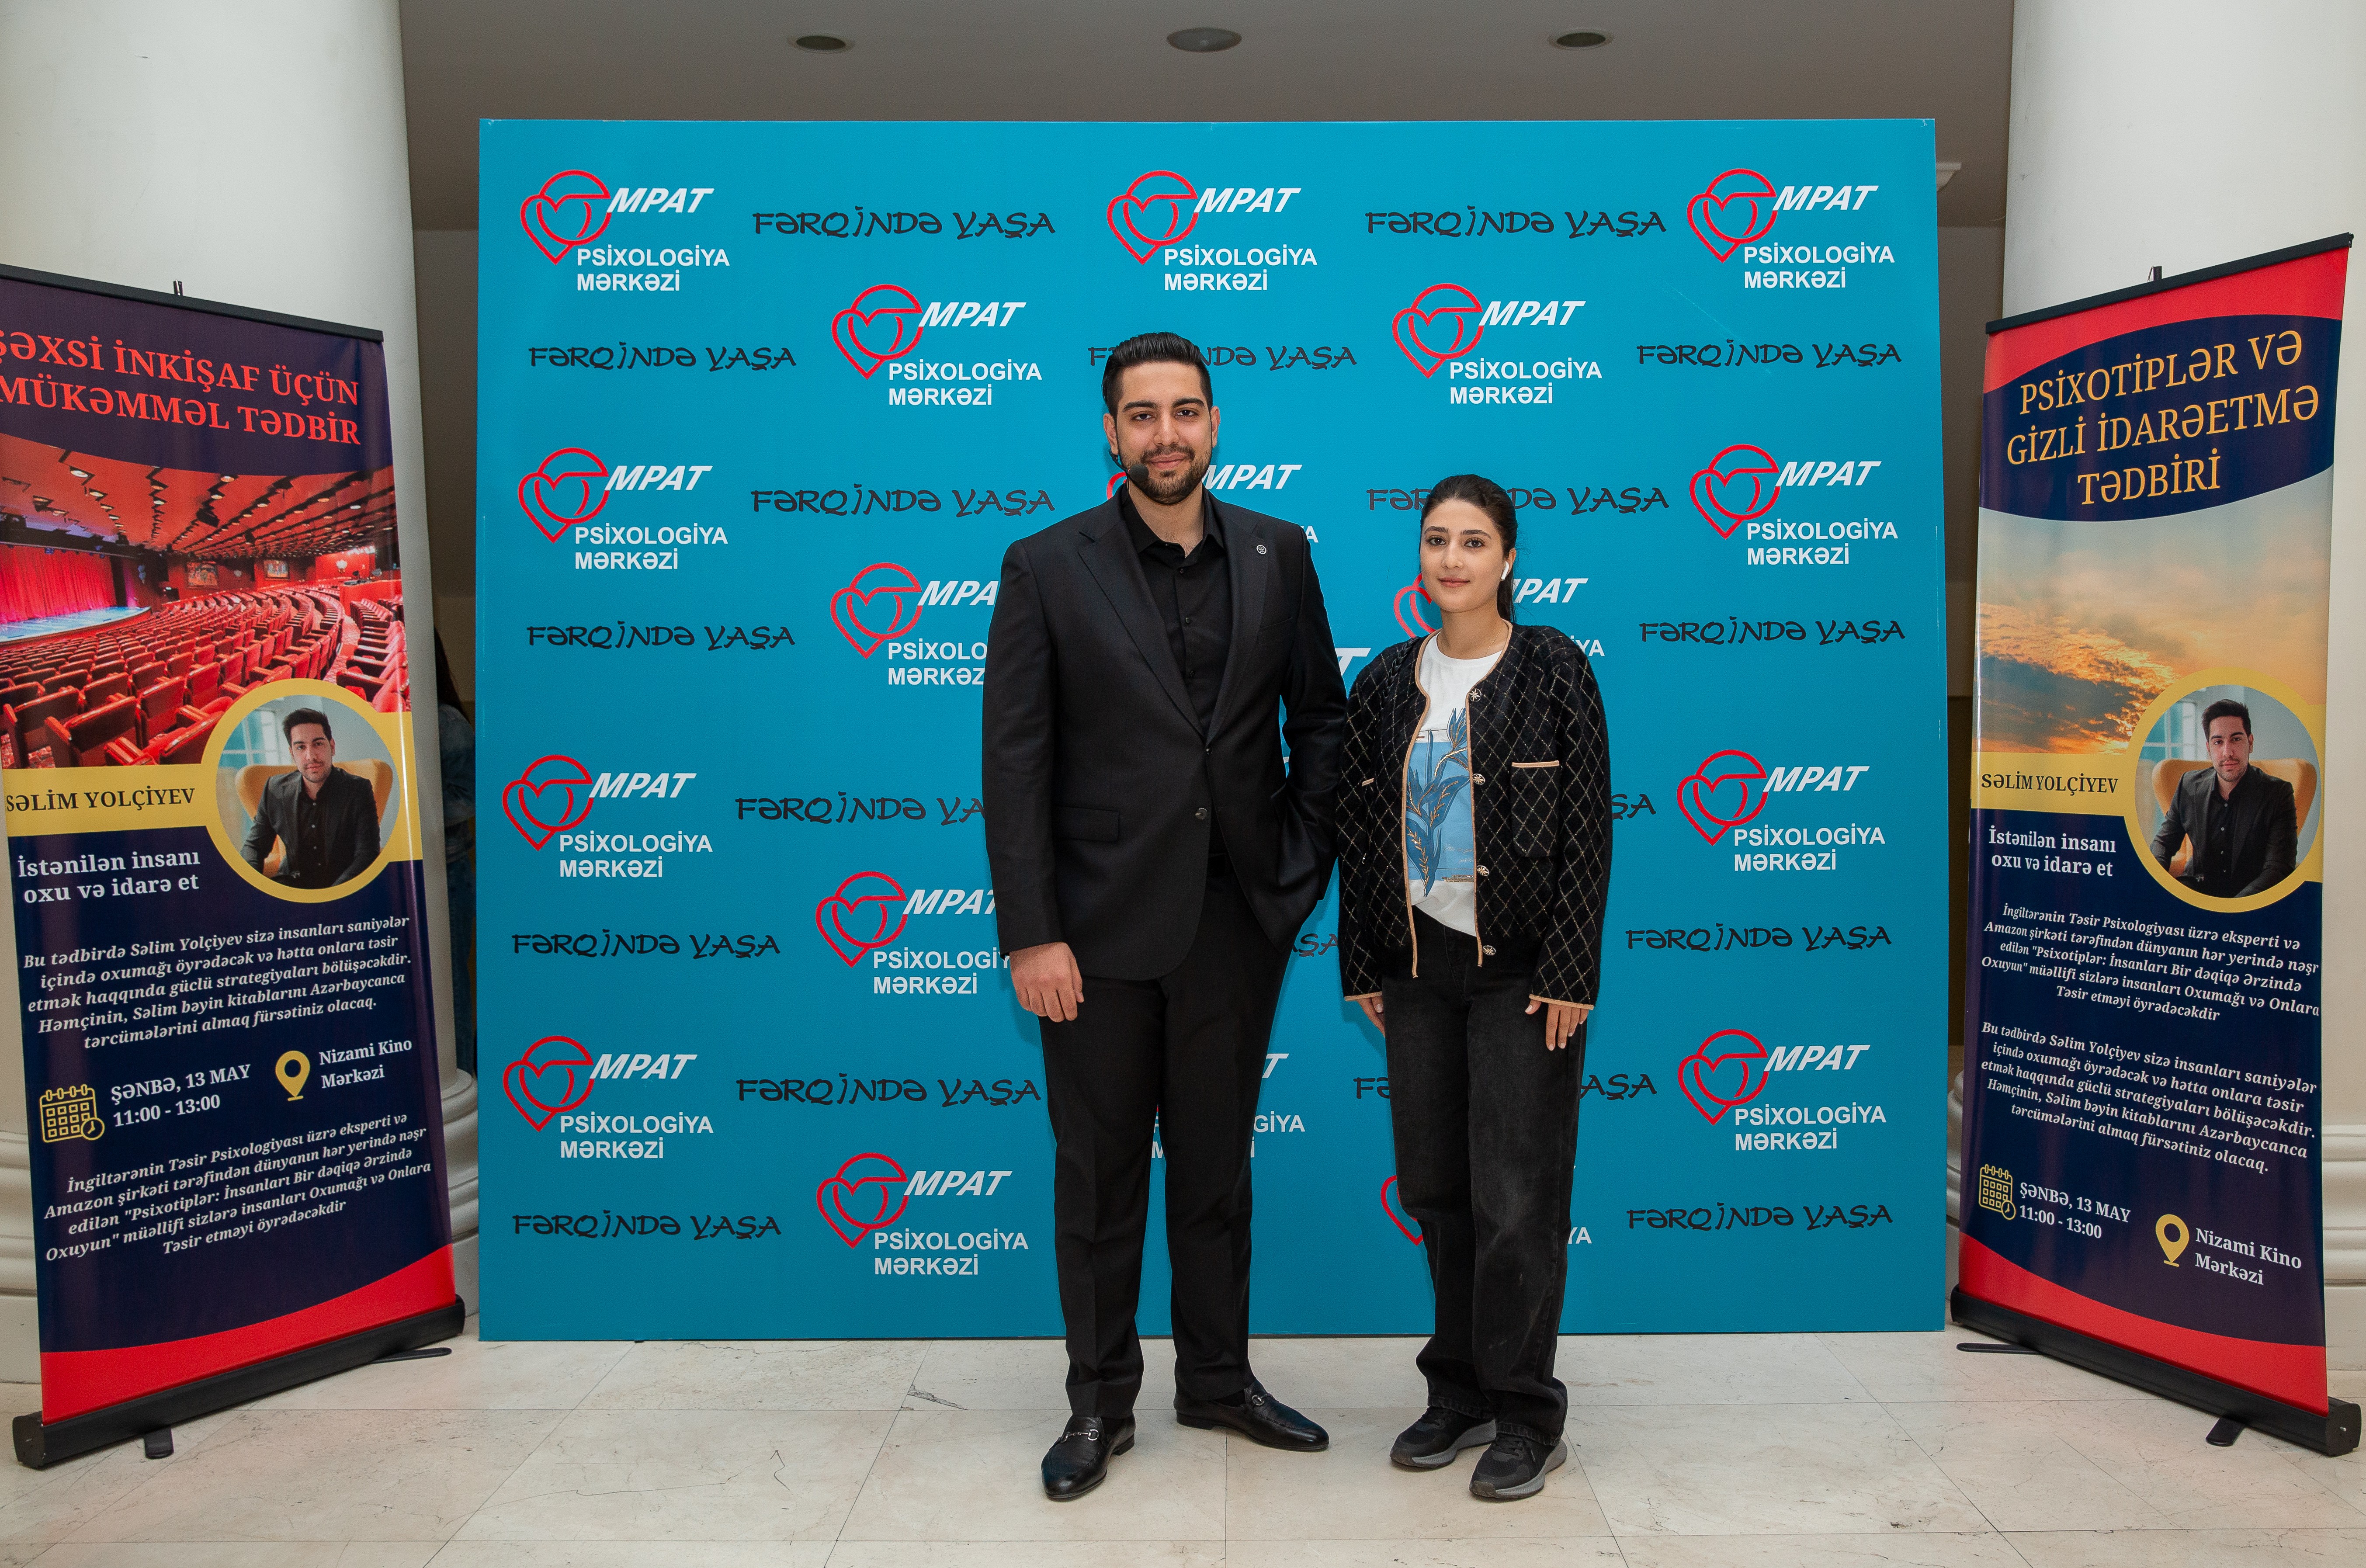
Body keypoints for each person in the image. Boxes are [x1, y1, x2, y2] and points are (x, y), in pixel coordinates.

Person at [983, 331, 1347, 1501]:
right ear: (1110, 432)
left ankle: (1218, 1379)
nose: (1166, 434)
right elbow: (1015, 761)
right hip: (1089, 934)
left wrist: (1293, 866)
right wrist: (1031, 931)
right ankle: (1099, 1401)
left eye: (1184, 410)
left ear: (1214, 421)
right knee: (1098, 1180)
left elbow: (1320, 721)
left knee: (1214, 1174)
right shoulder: (1046, 565)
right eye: (1141, 415)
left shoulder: (1279, 551)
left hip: (1234, 923)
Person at [1335, 475, 1610, 1502]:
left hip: (1522, 975)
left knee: (1515, 1198)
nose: (1451, 558)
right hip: (1417, 972)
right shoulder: (1381, 683)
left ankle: (1525, 1410)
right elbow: (1358, 832)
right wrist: (1363, 964)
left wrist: (1571, 969)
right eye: (1436, 539)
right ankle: (1456, 1390)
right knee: (1438, 1192)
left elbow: (1589, 825)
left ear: (1508, 559)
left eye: (1473, 541)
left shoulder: (1551, 666)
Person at [2150, 697, 2298, 897]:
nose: (2227, 752)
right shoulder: (2188, 785)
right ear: (2209, 749)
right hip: (2195, 893)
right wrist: (2152, 882)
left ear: (2250, 743)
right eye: (2218, 742)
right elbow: (2163, 844)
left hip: (2247, 900)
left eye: (2236, 739)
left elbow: (2278, 868)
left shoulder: (2278, 794)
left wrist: (2232, 909)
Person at [243, 706, 381, 888]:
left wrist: (333, 897)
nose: (311, 756)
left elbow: (367, 853)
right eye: (301, 747)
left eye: (318, 744)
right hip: (291, 887)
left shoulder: (358, 790)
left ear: (332, 747)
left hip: (341, 888)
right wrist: (250, 886)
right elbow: (254, 847)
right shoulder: (274, 789)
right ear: (292, 754)